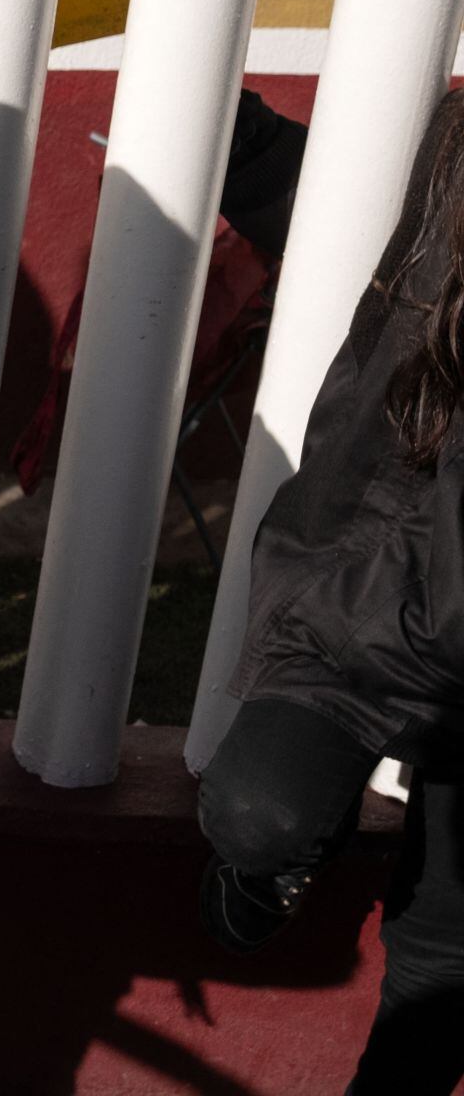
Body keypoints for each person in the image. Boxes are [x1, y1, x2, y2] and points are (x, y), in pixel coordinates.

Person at [198, 89, 464, 1095]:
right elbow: (317, 190)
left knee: (444, 951)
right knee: (259, 813)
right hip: (363, 594)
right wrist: (228, 124)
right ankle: (279, 850)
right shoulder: (451, 159)